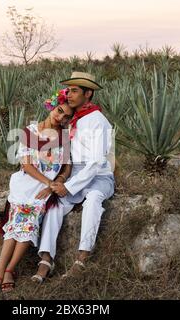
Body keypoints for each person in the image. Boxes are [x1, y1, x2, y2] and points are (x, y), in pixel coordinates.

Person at [0, 89, 74, 297]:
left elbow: (67, 167)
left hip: (45, 188)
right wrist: (49, 183)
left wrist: (57, 181)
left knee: (29, 226)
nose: (60, 117)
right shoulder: (30, 131)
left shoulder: (64, 137)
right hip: (26, 184)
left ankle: (9, 270)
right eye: (59, 111)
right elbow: (26, 165)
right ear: (52, 107)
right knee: (14, 228)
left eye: (66, 116)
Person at [32, 72, 115, 282]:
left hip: (99, 175)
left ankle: (81, 259)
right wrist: (61, 180)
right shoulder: (73, 119)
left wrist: (69, 187)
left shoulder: (99, 121)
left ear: (88, 94)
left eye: (75, 91)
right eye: (68, 90)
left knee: (94, 199)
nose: (69, 95)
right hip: (74, 174)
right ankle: (46, 259)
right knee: (55, 205)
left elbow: (97, 161)